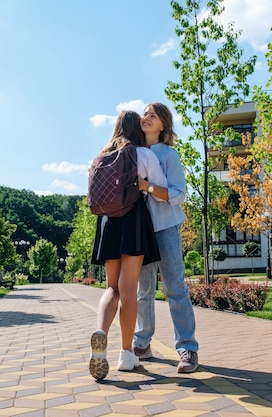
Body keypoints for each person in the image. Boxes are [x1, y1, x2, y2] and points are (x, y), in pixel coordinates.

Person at [88, 110, 168, 380]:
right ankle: (125, 353)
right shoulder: (143, 155)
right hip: (133, 220)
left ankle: (101, 332)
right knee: (129, 289)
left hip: (108, 222)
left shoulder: (101, 156)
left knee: (112, 287)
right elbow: (162, 187)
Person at [133, 102, 199, 373]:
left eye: (153, 115)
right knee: (143, 290)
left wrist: (147, 187)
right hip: (139, 229)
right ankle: (142, 343)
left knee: (175, 287)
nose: (146, 117)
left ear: (163, 125)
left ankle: (187, 348)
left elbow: (179, 194)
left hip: (167, 226)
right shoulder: (131, 152)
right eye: (144, 113)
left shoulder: (169, 155)